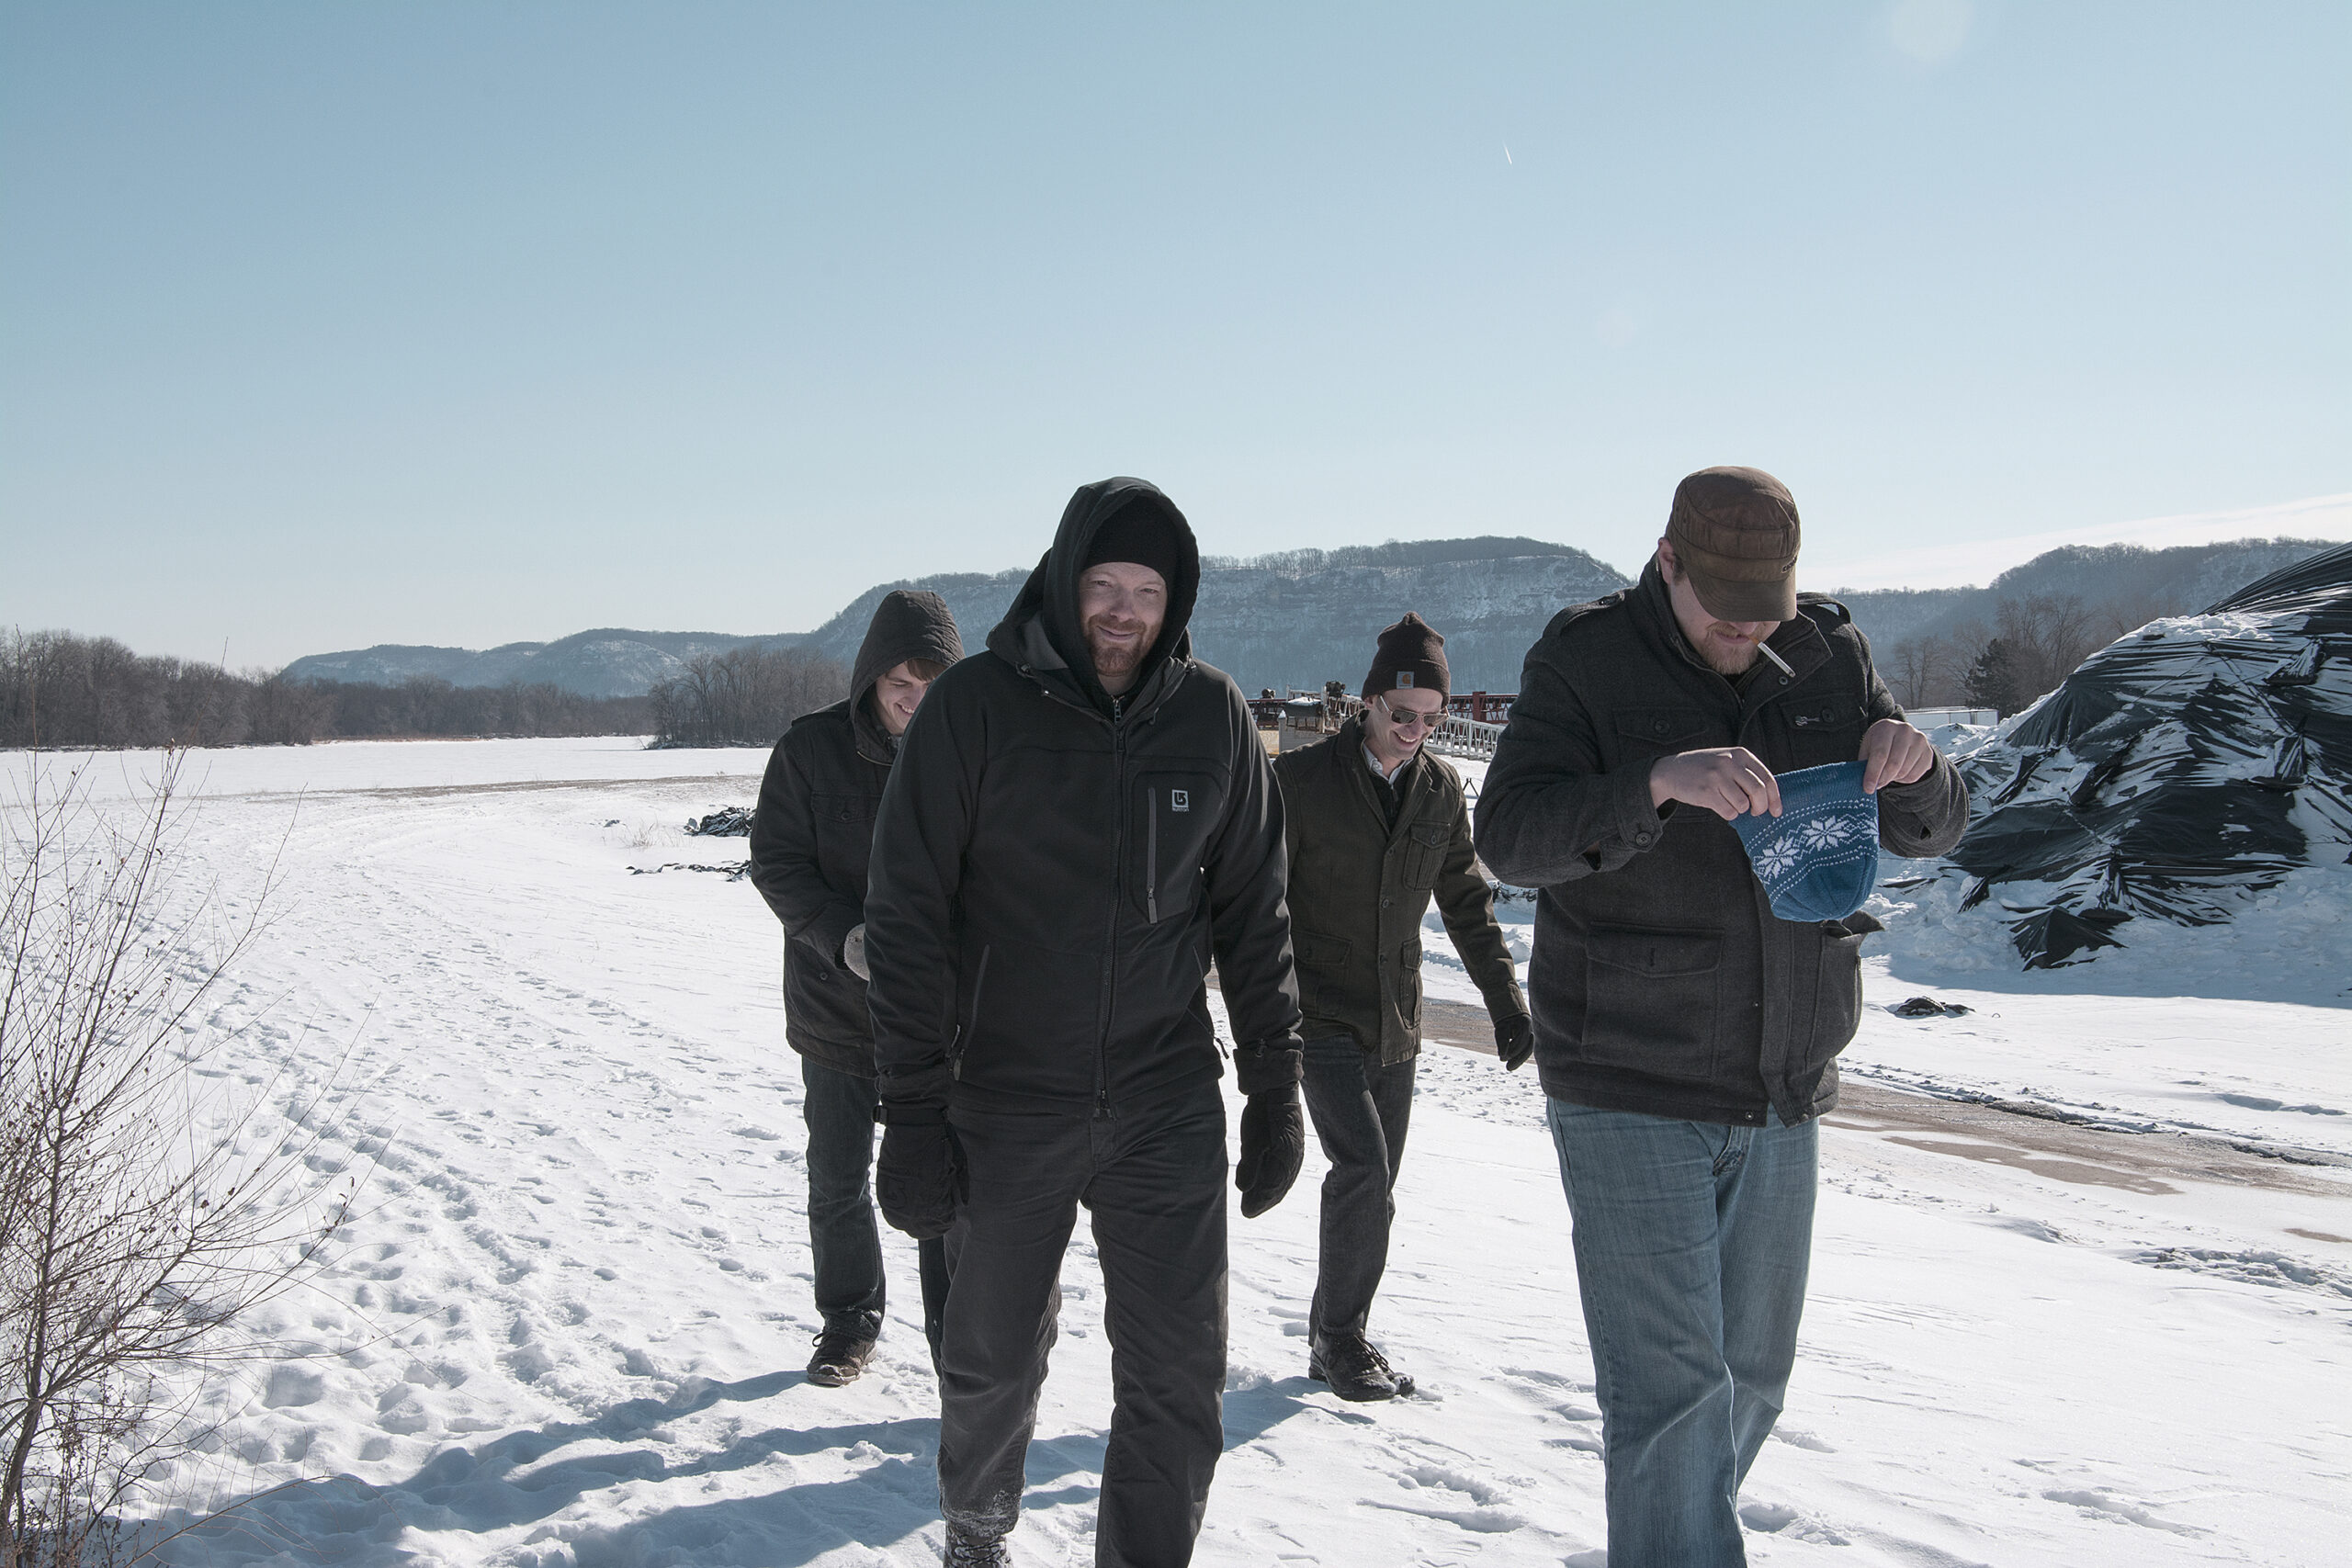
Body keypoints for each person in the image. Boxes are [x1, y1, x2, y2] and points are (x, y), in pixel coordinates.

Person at [1473, 466, 1968, 1565]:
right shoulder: (1584, 658)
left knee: (1752, 1378)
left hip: (1785, 1078)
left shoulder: (1830, 652)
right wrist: (1652, 784)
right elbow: (1508, 839)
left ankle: (1664, 1535)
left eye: (1766, 615)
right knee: (1670, 1397)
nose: (1747, 634)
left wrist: (1916, 767)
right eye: (1722, 613)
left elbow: (1933, 826)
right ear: (1667, 564)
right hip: (1627, 1079)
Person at [862, 478, 1306, 1568]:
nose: (1121, 611)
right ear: (1064, 583)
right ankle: (975, 1528)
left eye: (1145, 591)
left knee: (1179, 1373)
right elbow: (908, 916)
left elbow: (1255, 910)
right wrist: (911, 1112)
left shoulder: (1211, 717)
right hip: (1006, 1096)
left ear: (1175, 599)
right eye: (1102, 585)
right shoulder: (972, 709)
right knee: (992, 1359)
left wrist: (1274, 1084)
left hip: (1164, 1099)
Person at [1272, 613, 1530, 1401]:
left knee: (1377, 1186)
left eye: (1432, 718)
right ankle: (1343, 1338)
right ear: (1369, 703)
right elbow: (1249, 901)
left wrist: (1506, 1003)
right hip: (1319, 1013)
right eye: (1401, 713)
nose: (1416, 730)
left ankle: (1333, 1330)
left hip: (1398, 1018)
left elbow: (1467, 904)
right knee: (1362, 1165)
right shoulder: (1302, 783)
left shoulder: (1442, 792)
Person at [748, 589, 964, 1387]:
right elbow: (774, 862)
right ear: (871, 677)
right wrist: (843, 938)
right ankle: (848, 1321)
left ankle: (957, 1341)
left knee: (943, 1181)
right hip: (836, 1010)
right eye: (900, 685)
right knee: (837, 1176)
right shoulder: (809, 751)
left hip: (939, 1019)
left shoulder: (969, 753)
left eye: (930, 687)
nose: (914, 702)